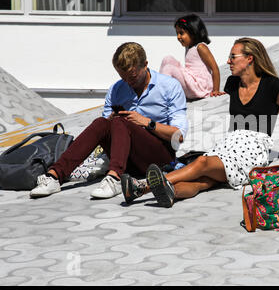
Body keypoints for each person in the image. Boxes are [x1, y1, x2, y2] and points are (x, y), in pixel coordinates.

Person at [121, 37, 279, 207]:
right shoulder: (232, 83)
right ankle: (171, 192)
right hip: (229, 144)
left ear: (249, 59)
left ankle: (142, 187)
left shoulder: (273, 85)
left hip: (253, 150)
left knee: (200, 163)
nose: (228, 61)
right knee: (202, 182)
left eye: (233, 57)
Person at [30, 42, 188, 199]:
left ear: (145, 65)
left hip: (159, 158)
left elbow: (178, 136)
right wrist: (111, 121)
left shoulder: (169, 86)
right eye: (123, 77)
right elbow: (103, 130)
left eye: (132, 77)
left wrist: (147, 122)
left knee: (121, 122)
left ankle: (115, 178)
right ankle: (55, 175)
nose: (128, 82)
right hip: (128, 159)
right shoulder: (117, 89)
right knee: (102, 123)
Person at [159, 14, 220, 99]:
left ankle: (160, 96)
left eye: (181, 33)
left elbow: (215, 69)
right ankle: (161, 91)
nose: (178, 37)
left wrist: (216, 90)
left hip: (199, 86)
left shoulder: (201, 47)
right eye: (177, 33)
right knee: (167, 59)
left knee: (169, 68)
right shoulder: (189, 47)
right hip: (191, 83)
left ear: (193, 32)